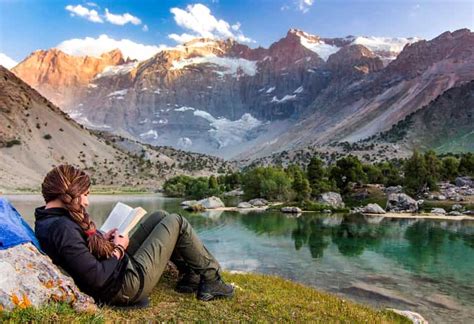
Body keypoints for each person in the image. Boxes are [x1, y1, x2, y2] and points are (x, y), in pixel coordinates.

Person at [34, 164, 234, 306]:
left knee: (160, 216)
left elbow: (78, 253)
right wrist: (119, 249)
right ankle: (212, 279)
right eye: (85, 194)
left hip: (118, 273)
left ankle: (190, 275)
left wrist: (102, 239)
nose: (86, 202)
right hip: (124, 287)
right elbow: (97, 277)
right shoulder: (61, 228)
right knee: (177, 222)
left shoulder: (50, 218)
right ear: (69, 194)